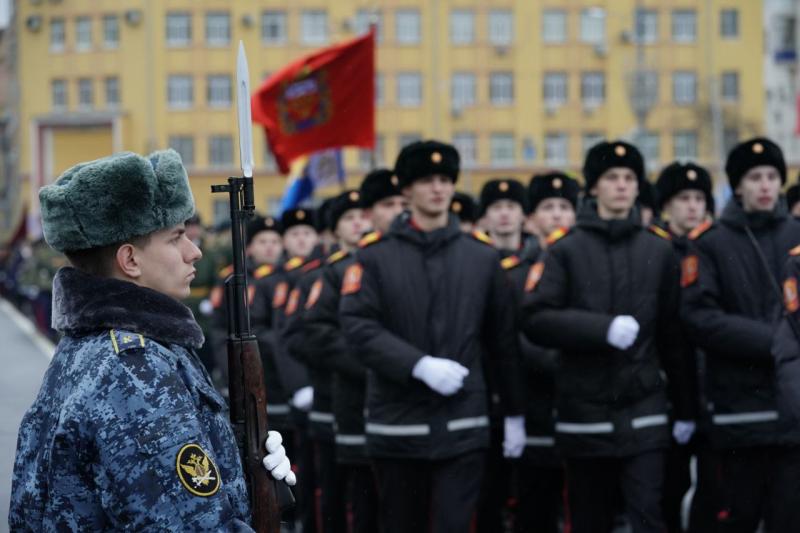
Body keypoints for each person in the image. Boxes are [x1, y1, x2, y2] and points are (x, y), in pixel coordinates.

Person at [9, 150, 295, 530]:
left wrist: (238, 466)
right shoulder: (134, 370)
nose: (194, 251)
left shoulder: (98, 347)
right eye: (176, 238)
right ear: (130, 260)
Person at [340, 140, 526, 533]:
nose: (439, 188)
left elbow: (502, 343)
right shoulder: (374, 257)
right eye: (427, 180)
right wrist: (418, 365)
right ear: (406, 190)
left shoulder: (481, 257)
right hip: (397, 425)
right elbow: (358, 327)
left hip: (463, 423)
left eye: (445, 179)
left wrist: (513, 413)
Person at [523, 140, 690, 533]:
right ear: (593, 187)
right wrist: (600, 330)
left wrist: (685, 409)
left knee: (648, 513)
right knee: (590, 517)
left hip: (643, 406)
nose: (621, 186)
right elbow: (535, 317)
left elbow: (672, 335)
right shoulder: (565, 250)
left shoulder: (659, 250)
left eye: (629, 178)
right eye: (611, 178)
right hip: (585, 409)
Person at [680, 137, 800, 531]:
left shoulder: (796, 237)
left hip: (793, 410)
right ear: (738, 185)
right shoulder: (711, 243)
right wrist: (775, 342)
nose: (765, 185)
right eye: (754, 177)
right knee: (738, 516)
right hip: (738, 410)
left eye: (771, 176)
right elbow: (700, 316)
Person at [508, 172, 580, 533]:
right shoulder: (512, 274)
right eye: (547, 208)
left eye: (564, 207)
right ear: (531, 219)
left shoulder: (586, 268)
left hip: (584, 404)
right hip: (533, 405)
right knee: (535, 507)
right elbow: (513, 337)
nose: (556, 215)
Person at [653, 161, 714, 533]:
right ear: (666, 206)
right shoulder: (655, 251)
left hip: (712, 384)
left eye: (699, 198)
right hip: (668, 386)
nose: (692, 206)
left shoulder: (715, 247)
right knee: (669, 489)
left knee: (713, 490)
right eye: (683, 198)